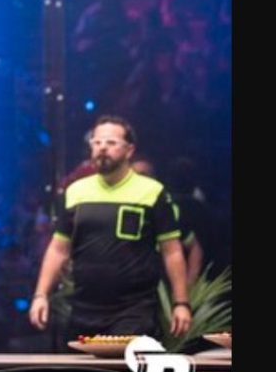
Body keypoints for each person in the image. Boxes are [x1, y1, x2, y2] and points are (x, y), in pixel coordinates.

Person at [29, 115, 193, 339]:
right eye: (97, 143)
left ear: (129, 150)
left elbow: (172, 250)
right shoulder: (74, 192)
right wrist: (40, 295)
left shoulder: (152, 192)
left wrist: (181, 303)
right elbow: (58, 249)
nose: (102, 148)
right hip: (83, 309)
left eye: (111, 143)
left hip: (135, 310)